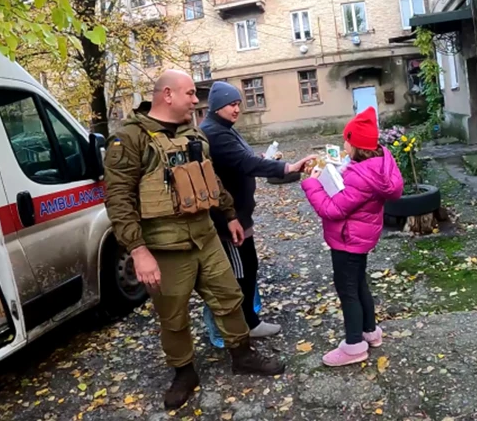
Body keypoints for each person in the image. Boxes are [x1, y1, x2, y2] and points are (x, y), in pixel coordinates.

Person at [104, 70, 285, 410]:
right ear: (167, 95)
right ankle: (184, 372)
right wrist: (138, 251)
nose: (194, 100)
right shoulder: (129, 140)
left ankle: (242, 355)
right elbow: (118, 200)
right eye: (189, 94)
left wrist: (230, 215)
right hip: (164, 246)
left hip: (206, 235)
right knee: (173, 315)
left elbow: (211, 180)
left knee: (230, 298)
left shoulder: (193, 134)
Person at [199, 81, 315, 346]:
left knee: (249, 266)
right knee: (237, 273)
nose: (237, 109)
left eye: (239, 103)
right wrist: (287, 167)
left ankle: (247, 320)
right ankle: (240, 327)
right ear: (217, 106)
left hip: (239, 215)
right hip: (228, 220)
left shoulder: (225, 129)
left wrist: (265, 158)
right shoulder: (214, 133)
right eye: (232, 104)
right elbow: (244, 162)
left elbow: (241, 159)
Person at [300, 107, 403, 366]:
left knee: (348, 290)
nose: (343, 144)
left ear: (355, 145)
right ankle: (370, 332)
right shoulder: (377, 163)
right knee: (359, 284)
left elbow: (332, 209)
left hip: (348, 240)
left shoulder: (360, 176)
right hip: (361, 237)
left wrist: (312, 183)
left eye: (346, 140)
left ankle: (354, 346)